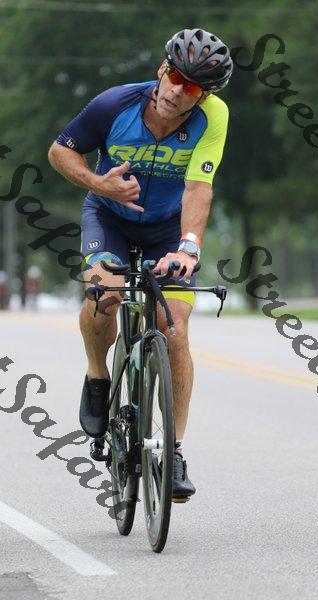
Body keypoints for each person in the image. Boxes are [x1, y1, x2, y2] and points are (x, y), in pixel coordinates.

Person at [48, 28, 233, 500]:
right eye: (176, 77)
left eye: (192, 87)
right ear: (162, 70)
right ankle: (97, 375)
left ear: (204, 95)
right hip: (108, 216)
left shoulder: (213, 117)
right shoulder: (115, 104)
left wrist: (188, 248)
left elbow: (199, 187)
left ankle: (173, 453)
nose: (178, 91)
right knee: (104, 295)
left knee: (174, 327)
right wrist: (99, 183)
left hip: (167, 229)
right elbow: (59, 150)